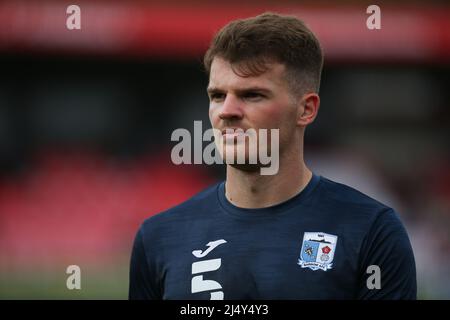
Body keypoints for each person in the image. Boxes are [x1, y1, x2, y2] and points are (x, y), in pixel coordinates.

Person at [129, 12, 416, 300]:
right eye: (217, 96)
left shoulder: (371, 231)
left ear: (306, 110)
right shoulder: (159, 237)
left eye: (252, 95)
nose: (227, 111)